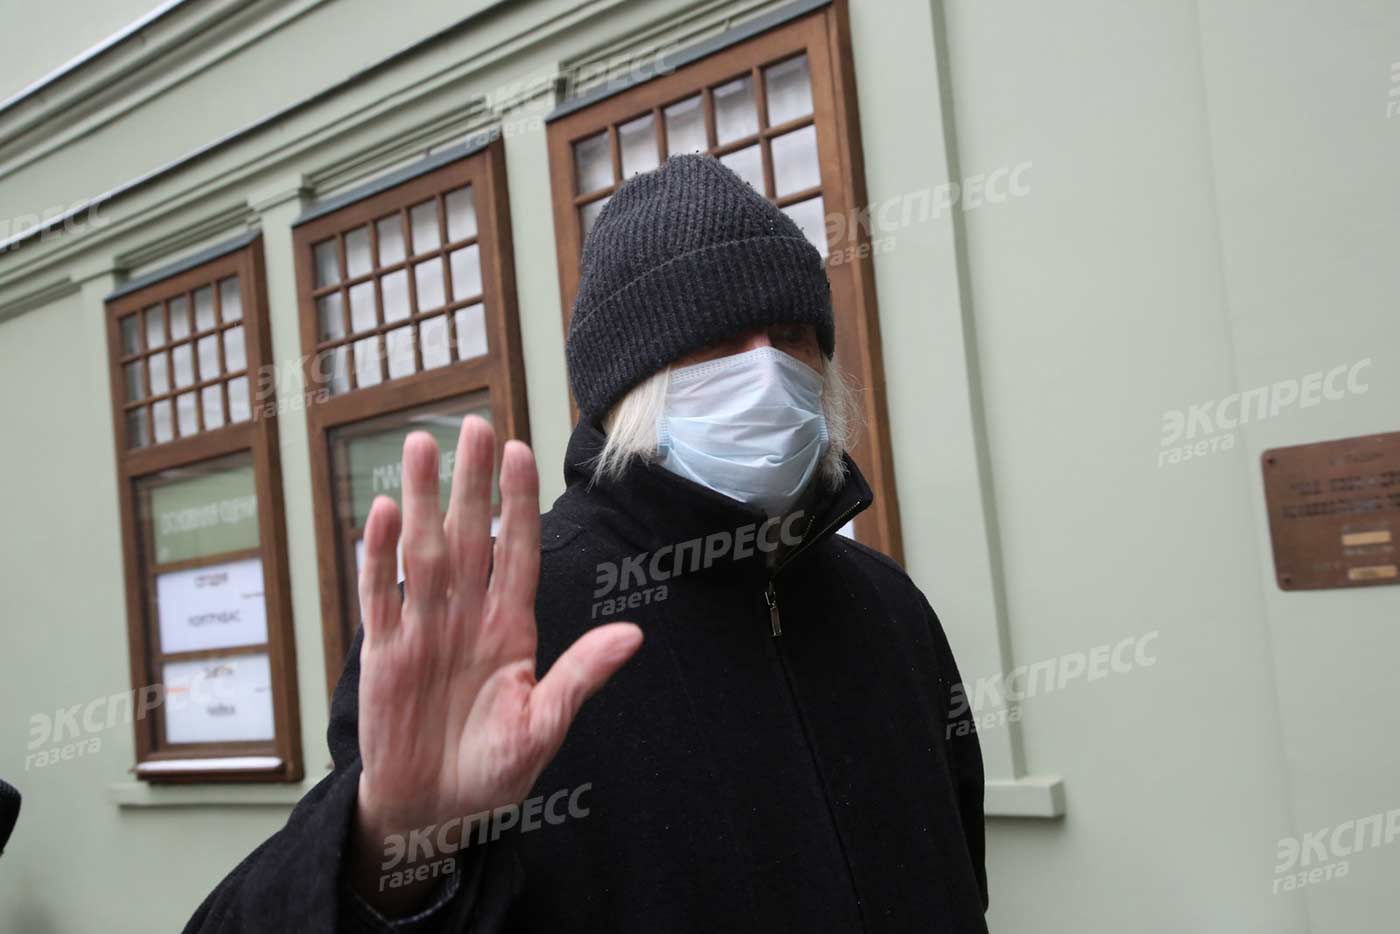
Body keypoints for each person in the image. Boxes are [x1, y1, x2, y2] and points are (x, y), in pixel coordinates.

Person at [183, 154, 988, 934]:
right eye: (716, 341)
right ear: (627, 386)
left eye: (791, 334)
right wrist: (388, 849)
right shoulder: (495, 624)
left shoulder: (889, 607)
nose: (767, 371)